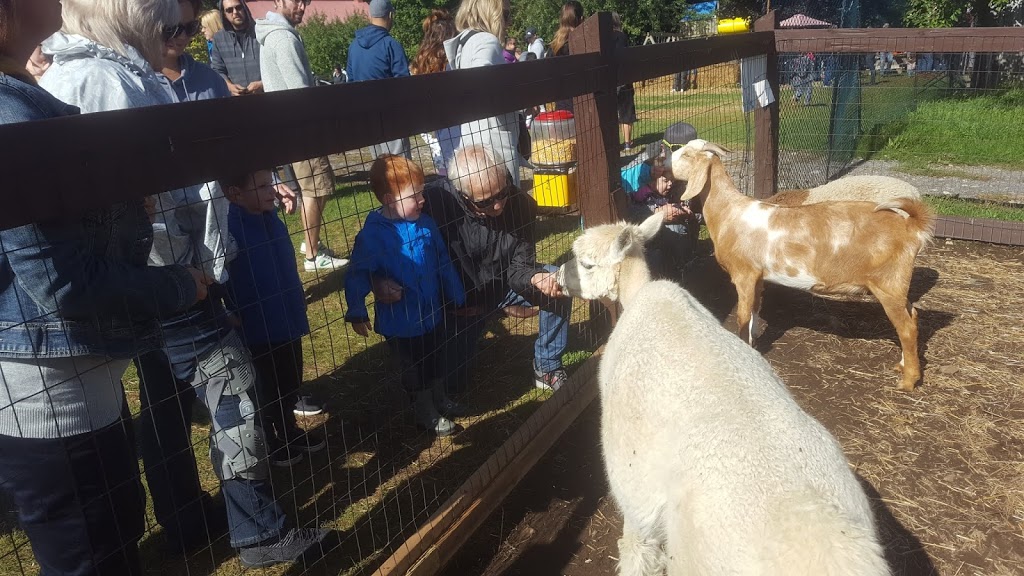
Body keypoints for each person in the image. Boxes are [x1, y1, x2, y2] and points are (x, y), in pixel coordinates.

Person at [1, 1, 206, 575]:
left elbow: (60, 240)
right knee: (91, 552)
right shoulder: (11, 112)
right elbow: (56, 279)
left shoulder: (21, 96)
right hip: (51, 394)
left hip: (73, 383)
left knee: (110, 534)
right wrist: (176, 287)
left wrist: (121, 209)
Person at [379, 145, 572, 394]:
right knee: (450, 385)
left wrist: (534, 277)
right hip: (454, 305)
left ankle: (547, 365)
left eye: (502, 193)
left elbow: (519, 265)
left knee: (558, 281)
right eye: (485, 201)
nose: (498, 206)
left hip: (499, 286)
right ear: (463, 194)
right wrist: (379, 278)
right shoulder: (434, 199)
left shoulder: (521, 204)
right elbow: (383, 225)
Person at [344, 156, 466, 436]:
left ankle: (440, 397)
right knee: (414, 367)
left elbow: (442, 259)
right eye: (415, 195)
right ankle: (425, 412)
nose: (422, 199)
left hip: (431, 312)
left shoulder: (425, 225)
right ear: (389, 199)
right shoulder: (373, 236)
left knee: (436, 356)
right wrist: (356, 308)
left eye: (422, 191)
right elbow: (358, 273)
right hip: (401, 320)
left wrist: (455, 291)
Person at [224, 168, 324, 466]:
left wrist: (296, 299)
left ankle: (289, 428)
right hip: (256, 324)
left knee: (290, 375)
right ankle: (268, 437)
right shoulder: (230, 228)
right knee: (264, 384)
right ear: (234, 193)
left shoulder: (271, 220)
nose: (272, 191)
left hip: (286, 317)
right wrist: (230, 310)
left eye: (271, 183)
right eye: (262, 186)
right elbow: (224, 278)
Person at [257, 0, 350, 272]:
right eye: (295, 0)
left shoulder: (272, 33)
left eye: (304, 1)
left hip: (292, 130)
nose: (301, 6)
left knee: (314, 189)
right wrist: (325, 131)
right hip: (303, 132)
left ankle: (311, 243)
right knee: (315, 191)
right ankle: (311, 256)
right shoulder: (283, 38)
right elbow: (302, 94)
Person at [443, 0, 522, 184]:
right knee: (504, 206)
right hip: (491, 149)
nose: (508, 23)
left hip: (472, 144)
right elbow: (478, 83)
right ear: (492, 13)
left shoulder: (464, 43)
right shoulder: (487, 41)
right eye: (506, 15)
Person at [347, 0, 412, 159]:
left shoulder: (354, 46)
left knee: (380, 166)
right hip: (392, 117)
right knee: (400, 164)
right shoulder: (391, 45)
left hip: (368, 117)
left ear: (370, 15)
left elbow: (350, 83)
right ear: (390, 15)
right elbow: (404, 84)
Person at [410, 8, 459, 176]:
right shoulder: (453, 60)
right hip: (456, 124)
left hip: (434, 127)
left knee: (447, 169)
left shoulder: (420, 63)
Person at [211, 0, 263, 96]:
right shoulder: (219, 39)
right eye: (229, 10)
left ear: (244, 8)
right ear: (224, 14)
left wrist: (262, 84)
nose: (235, 12)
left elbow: (275, 65)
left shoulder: (261, 32)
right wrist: (229, 86)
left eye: (238, 7)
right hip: (236, 101)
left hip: (264, 97)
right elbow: (217, 69)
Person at [549, 1, 584, 111]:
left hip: (561, 108)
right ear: (582, 19)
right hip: (583, 105)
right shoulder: (583, 44)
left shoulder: (554, 47)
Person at [611, 13, 636, 151]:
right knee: (626, 113)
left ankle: (614, 144)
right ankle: (627, 143)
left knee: (611, 114)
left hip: (610, 81)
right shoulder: (622, 37)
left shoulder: (602, 39)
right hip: (625, 79)